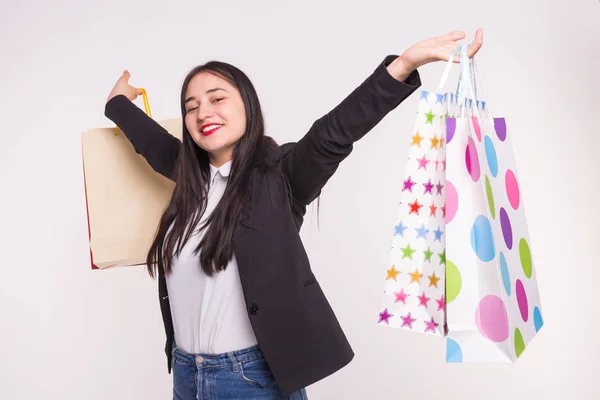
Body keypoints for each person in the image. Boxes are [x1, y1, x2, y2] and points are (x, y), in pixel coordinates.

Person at [104, 29, 483, 399]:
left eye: (217, 98)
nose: (204, 112)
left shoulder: (280, 175)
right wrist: (118, 103)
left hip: (250, 381)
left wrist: (402, 65)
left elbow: (334, 133)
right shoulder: (189, 179)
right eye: (191, 107)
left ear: (247, 106)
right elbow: (150, 142)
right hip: (186, 375)